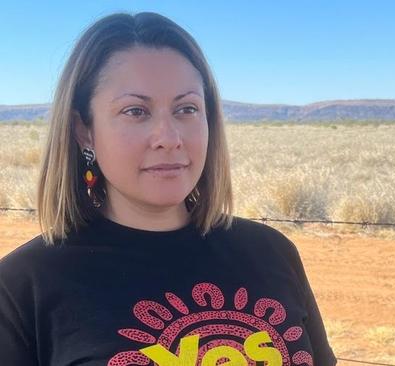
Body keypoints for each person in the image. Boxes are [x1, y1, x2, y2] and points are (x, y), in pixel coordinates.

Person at [0, 12, 336, 365]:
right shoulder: (23, 287)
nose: (169, 138)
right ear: (84, 130)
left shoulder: (271, 252)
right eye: (135, 111)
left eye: (186, 108)